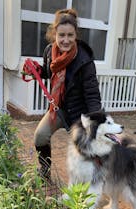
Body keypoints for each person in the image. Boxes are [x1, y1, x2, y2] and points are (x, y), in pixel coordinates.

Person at [34, 8, 102, 179]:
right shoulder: (50, 52)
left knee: (84, 151)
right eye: (61, 35)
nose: (65, 40)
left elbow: (92, 94)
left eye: (70, 35)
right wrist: (35, 71)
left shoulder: (85, 60)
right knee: (40, 136)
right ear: (54, 34)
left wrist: (95, 122)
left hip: (80, 114)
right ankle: (45, 170)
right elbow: (47, 72)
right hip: (58, 109)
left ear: (75, 35)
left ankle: (93, 179)